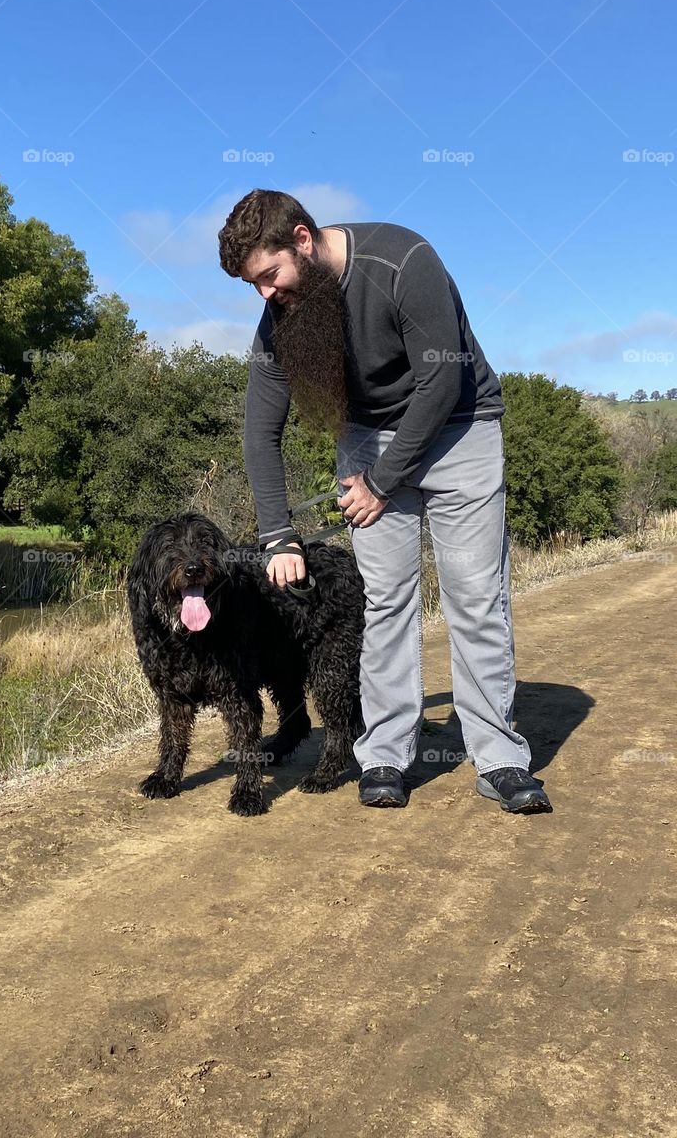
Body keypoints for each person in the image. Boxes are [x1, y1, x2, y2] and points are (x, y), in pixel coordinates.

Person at [217, 189, 552, 815]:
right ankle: (386, 757)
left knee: (475, 597)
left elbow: (440, 380)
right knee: (385, 600)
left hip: (459, 426)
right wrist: (277, 535)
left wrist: (382, 482)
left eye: (269, 275)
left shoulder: (403, 260)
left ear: (302, 240)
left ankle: (500, 757)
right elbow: (261, 429)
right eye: (252, 285)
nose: (265, 294)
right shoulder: (283, 315)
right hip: (367, 441)